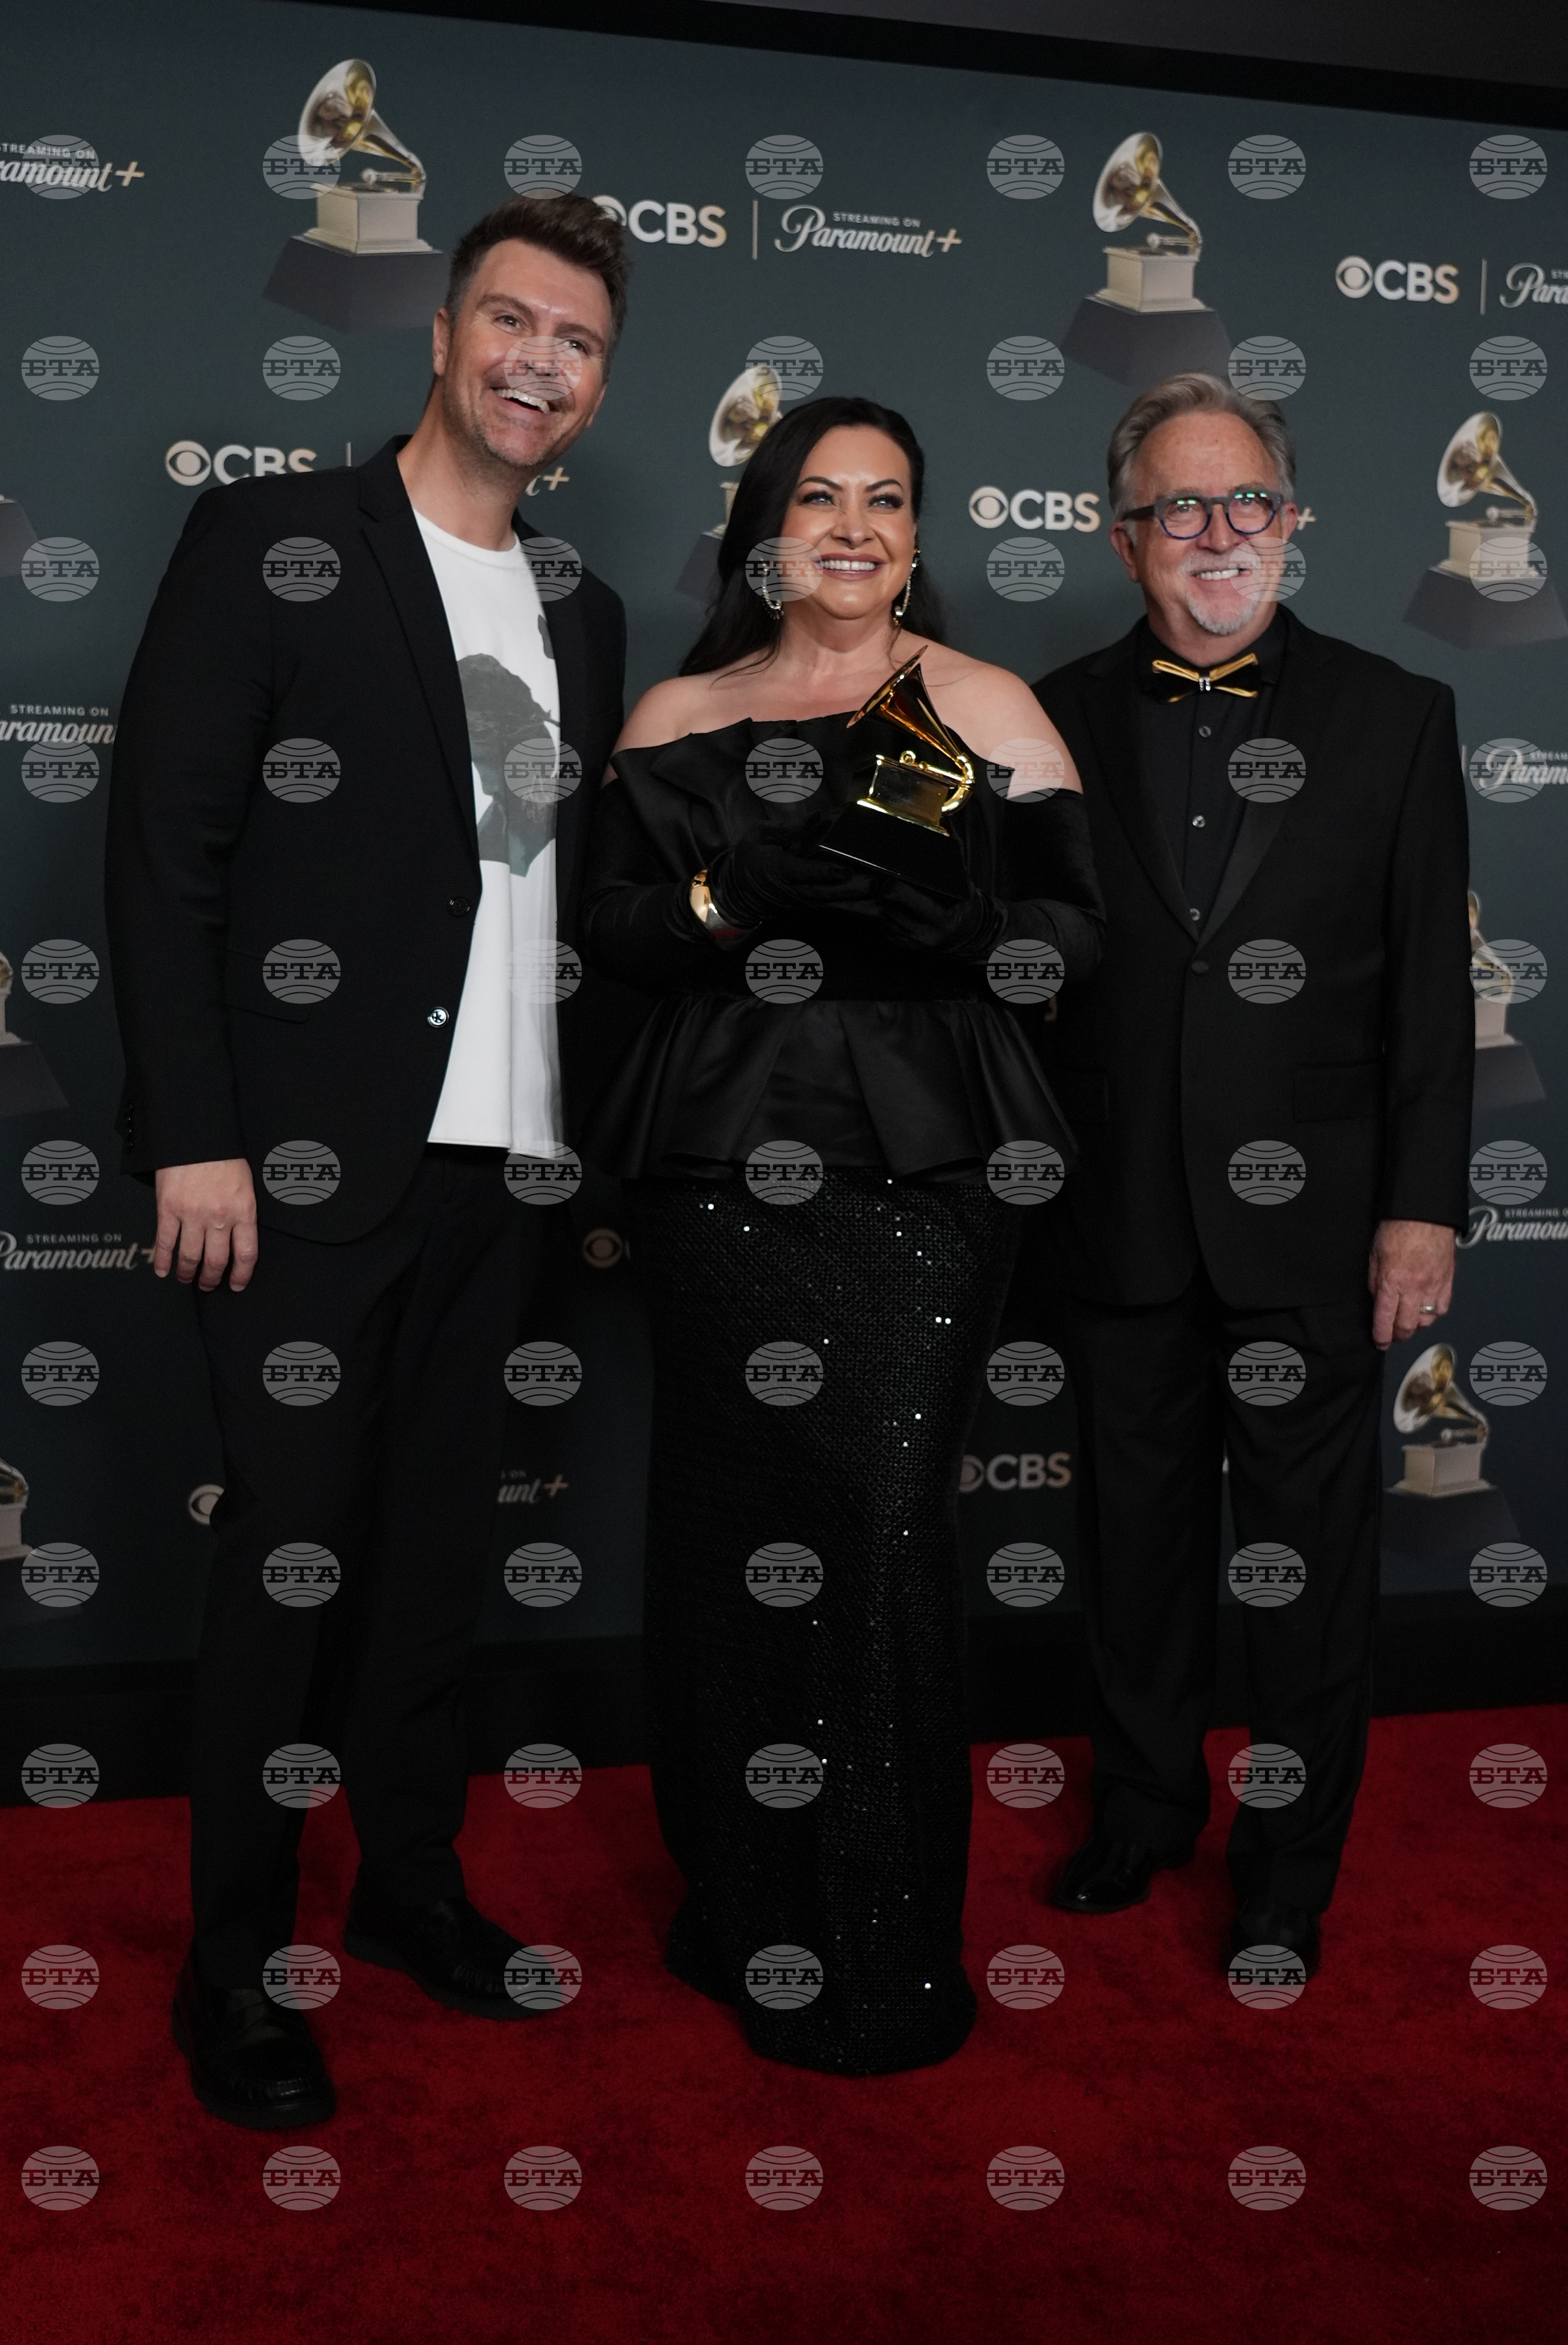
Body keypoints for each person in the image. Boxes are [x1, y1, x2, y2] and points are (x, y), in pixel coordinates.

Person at [105, 194, 628, 2128]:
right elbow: (165, 861)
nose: (538, 362)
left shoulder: (582, 604)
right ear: (440, 330)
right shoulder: (278, 542)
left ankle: (410, 1889)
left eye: (577, 340)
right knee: (291, 1568)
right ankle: (233, 1968)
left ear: (599, 379)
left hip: (501, 1169)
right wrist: (202, 1139)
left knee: (428, 1574)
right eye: (510, 320)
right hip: (304, 1173)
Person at [580, 396, 1103, 2073]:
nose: (858, 528)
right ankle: (744, 1907)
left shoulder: (989, 705)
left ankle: (877, 1947)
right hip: (719, 1169)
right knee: (739, 1532)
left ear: (922, 534)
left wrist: (959, 923)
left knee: (877, 1533)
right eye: (823, 499)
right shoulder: (681, 709)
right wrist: (743, 898)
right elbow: (612, 939)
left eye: (890, 500)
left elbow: (1073, 946)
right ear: (764, 530)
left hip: (929, 1177)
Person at [1029, 373, 1472, 1976]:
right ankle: (1144, 1811)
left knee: (1307, 1581)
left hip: (1321, 1232)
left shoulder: (1396, 714)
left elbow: (1432, 989)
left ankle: (1290, 1864)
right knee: (1134, 1558)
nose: (1217, 538)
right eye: (1177, 510)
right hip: (1120, 1219)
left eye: (1247, 506)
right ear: (1122, 530)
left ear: (1288, 524)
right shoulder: (1052, 714)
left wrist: (1423, 1205)